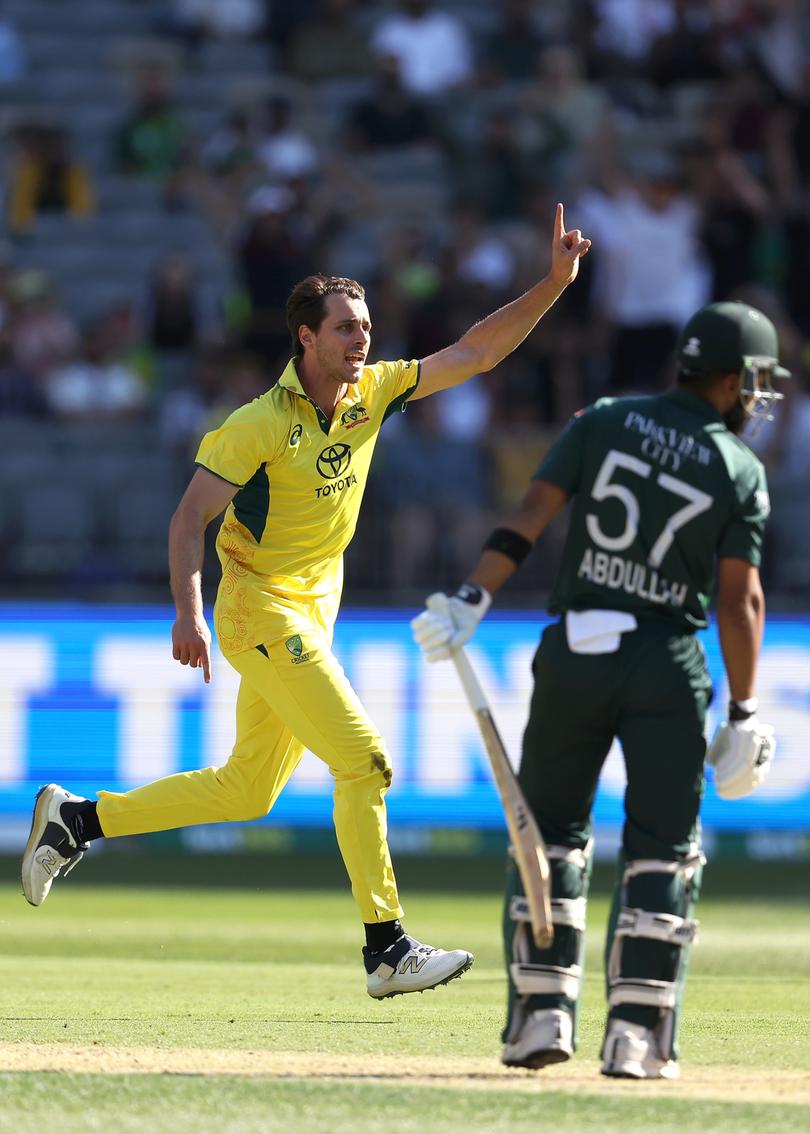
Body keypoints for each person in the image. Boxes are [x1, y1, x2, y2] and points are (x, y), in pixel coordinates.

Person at [21, 205, 591, 999]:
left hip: (313, 610)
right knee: (366, 762)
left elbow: (479, 349)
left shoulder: (374, 392)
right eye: (347, 330)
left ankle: (78, 820)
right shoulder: (256, 424)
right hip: (258, 609)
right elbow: (190, 518)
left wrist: (553, 284)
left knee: (247, 790)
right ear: (306, 339)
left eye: (365, 327)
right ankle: (386, 947)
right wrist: (188, 611)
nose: (363, 341)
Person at [412, 300, 785, 1073]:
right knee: (663, 851)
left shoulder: (605, 418)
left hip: (575, 651)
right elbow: (739, 599)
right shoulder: (738, 466)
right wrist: (746, 709)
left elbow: (532, 514)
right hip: (664, 663)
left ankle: (541, 1020)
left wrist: (472, 597)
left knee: (546, 840)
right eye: (754, 380)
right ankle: (637, 1033)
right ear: (732, 379)